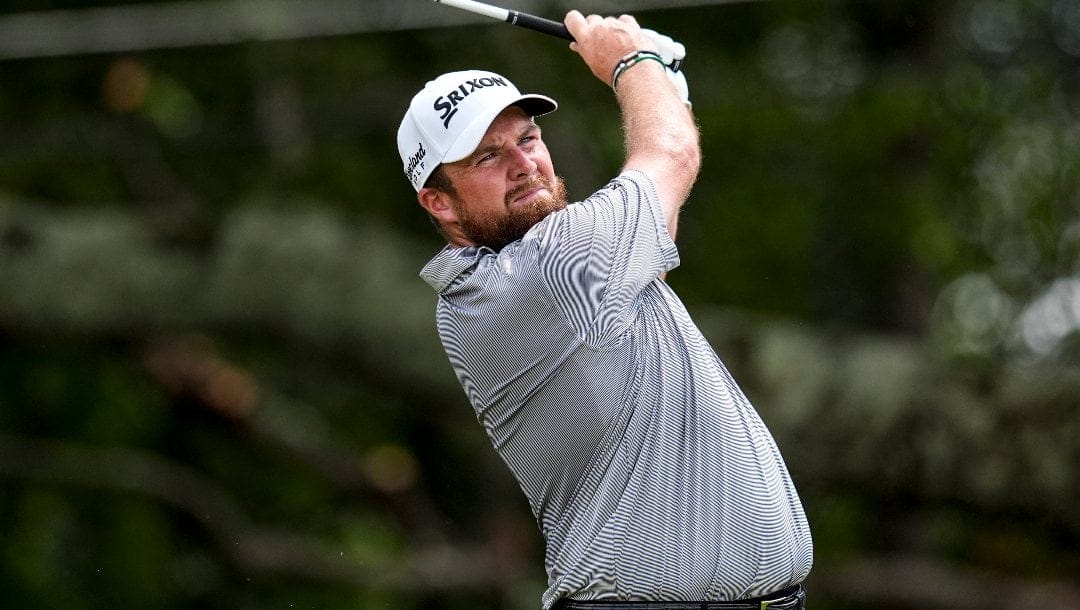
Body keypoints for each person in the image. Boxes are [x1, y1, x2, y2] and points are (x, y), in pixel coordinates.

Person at [396, 10, 812, 610]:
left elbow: (657, 220)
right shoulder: (539, 275)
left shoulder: (567, 270)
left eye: (528, 138)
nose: (523, 164)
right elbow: (670, 157)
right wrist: (630, 62)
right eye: (487, 158)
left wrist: (665, 84)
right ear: (440, 202)